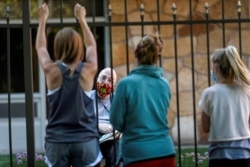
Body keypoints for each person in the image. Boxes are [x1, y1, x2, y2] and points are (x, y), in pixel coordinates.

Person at [36, 3, 102, 167]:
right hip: (85, 141)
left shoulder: (51, 71)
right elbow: (92, 46)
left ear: (57, 47)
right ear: (79, 47)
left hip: (57, 142)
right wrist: (82, 19)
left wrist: (42, 19)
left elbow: (41, 47)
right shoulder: (88, 70)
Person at [109, 33, 176, 167]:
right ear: (157, 57)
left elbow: (116, 122)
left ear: (135, 53)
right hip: (166, 152)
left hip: (138, 155)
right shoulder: (164, 84)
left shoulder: (125, 85)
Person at [199, 45, 250, 167]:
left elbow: (205, 127)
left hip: (218, 156)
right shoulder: (246, 91)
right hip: (244, 155)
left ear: (216, 67)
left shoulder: (209, 93)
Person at [88, 67, 119, 167]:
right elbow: (79, 120)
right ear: (97, 79)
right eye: (103, 78)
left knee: (115, 151)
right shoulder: (87, 97)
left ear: (114, 85)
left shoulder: (117, 99)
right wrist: (96, 125)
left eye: (110, 80)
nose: (105, 83)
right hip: (91, 137)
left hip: (111, 139)